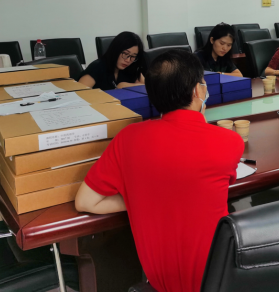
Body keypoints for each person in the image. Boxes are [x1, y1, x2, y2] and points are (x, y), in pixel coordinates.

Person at [75, 50, 244, 292]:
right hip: (220, 281)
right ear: (198, 92)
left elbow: (85, 202)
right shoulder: (229, 142)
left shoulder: (128, 138)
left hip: (160, 284)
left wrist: (142, 197)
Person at [78, 31, 145, 90]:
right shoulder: (97, 67)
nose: (128, 60)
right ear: (115, 50)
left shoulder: (132, 67)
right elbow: (80, 94)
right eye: (125, 54)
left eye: (133, 56)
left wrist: (123, 86)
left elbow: (146, 86)